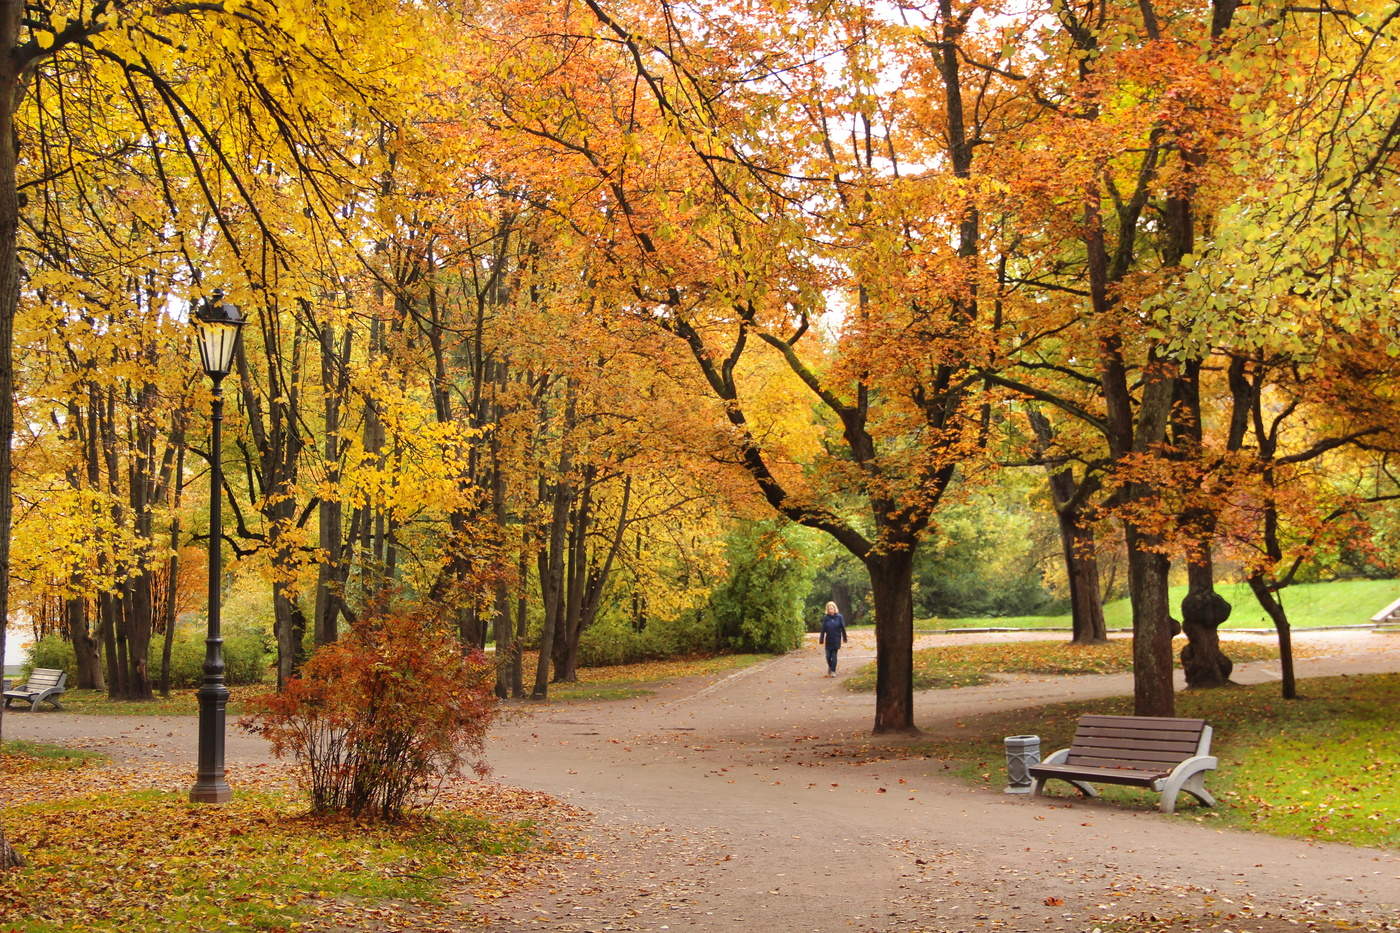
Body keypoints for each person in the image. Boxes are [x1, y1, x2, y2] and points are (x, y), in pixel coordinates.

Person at [818, 601, 847, 676]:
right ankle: (830, 667)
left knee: (834, 656)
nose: (830, 610)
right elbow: (823, 629)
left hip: (836, 639)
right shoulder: (826, 618)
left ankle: (833, 671)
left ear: (835, 608)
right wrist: (821, 639)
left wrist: (844, 638)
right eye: (829, 609)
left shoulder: (839, 617)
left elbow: (843, 628)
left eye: (832, 608)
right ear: (827, 610)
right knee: (828, 656)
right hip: (828, 640)